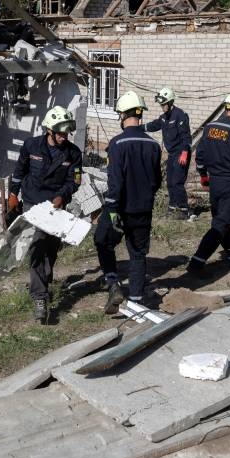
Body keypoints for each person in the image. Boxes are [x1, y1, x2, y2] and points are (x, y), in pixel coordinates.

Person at [8, 106, 83, 322]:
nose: (63, 136)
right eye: (60, 132)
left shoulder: (73, 153)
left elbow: (74, 182)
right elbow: (19, 170)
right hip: (33, 204)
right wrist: (13, 193)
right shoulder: (31, 146)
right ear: (49, 130)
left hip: (56, 206)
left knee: (52, 248)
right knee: (38, 247)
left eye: (66, 132)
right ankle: (40, 297)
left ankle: (43, 279)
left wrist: (62, 196)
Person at [96, 91, 163, 313]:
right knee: (137, 254)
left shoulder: (117, 144)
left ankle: (113, 283)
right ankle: (136, 302)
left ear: (122, 115)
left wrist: (113, 209)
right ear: (140, 114)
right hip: (143, 209)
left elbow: (115, 181)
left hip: (120, 209)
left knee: (102, 241)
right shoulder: (154, 146)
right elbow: (156, 181)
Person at [187, 91, 230, 273]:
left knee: (221, 220)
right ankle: (197, 262)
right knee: (220, 224)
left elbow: (200, 155)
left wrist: (203, 175)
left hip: (214, 183)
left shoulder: (210, 127)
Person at [145, 87, 193, 220]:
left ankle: (184, 210)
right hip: (172, 154)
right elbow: (154, 125)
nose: (162, 107)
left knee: (177, 182)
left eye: (164, 104)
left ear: (171, 102)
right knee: (170, 182)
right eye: (161, 105)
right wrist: (139, 127)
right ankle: (172, 207)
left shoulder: (180, 115)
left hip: (181, 152)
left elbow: (186, 137)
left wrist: (184, 152)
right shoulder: (164, 117)